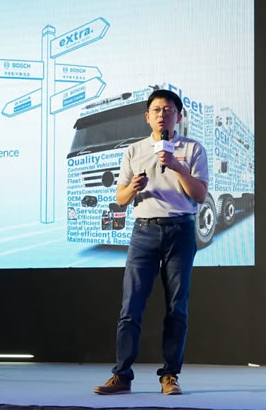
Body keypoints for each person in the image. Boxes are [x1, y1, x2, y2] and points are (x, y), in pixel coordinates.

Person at [93, 89, 208, 395]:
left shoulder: (193, 149)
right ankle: (122, 376)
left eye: (168, 110)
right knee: (130, 306)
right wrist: (133, 187)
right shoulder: (133, 151)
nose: (162, 114)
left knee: (177, 308)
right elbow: (120, 198)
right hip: (143, 232)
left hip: (180, 231)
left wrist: (177, 166)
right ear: (147, 117)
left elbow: (199, 195)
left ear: (178, 117)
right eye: (156, 110)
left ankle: (170, 376)